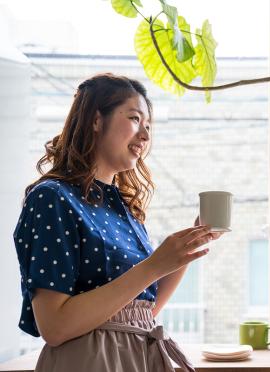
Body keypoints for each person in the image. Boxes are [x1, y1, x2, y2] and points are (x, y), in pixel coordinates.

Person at [13, 73, 220, 371]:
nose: (146, 136)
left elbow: (141, 312)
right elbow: (54, 326)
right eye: (135, 119)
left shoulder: (123, 208)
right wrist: (154, 265)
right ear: (96, 120)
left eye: (148, 126)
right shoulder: (52, 198)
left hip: (137, 358)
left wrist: (186, 249)